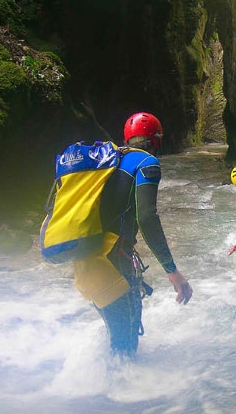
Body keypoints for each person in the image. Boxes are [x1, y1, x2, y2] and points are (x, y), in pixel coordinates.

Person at [74, 112, 193, 359]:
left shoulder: (110, 161)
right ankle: (118, 390)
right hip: (113, 262)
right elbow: (147, 217)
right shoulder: (145, 162)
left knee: (119, 341)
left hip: (85, 260)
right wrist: (172, 271)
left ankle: (109, 387)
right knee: (125, 347)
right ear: (156, 139)